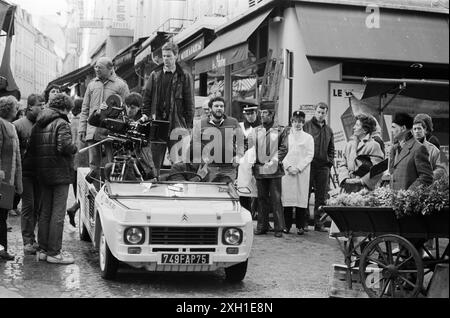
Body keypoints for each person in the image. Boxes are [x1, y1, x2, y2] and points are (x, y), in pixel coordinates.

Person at [28, 93, 78, 264]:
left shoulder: (39, 122)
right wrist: (74, 148)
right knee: (57, 213)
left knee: (45, 212)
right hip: (59, 173)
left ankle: (42, 249)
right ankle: (54, 252)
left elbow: (32, 148)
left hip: (43, 173)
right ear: (64, 108)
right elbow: (64, 146)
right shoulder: (62, 123)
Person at [141, 42, 194, 176]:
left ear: (176, 56)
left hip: (176, 124)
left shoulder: (184, 76)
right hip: (157, 124)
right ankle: (154, 190)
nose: (166, 59)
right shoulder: (155, 75)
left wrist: (188, 125)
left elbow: (189, 102)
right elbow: (146, 97)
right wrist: (145, 114)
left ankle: (177, 190)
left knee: (178, 163)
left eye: (169, 56)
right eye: (164, 56)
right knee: (154, 163)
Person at [79, 57, 130, 173]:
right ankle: (93, 189)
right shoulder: (92, 85)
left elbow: (127, 109)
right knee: (93, 165)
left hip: (111, 132)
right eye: (96, 67)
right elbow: (85, 108)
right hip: (92, 130)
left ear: (110, 68)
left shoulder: (121, 85)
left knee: (112, 164)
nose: (96, 69)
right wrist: (82, 129)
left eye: (100, 67)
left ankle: (111, 189)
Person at [13, 94, 45, 255]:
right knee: (28, 206)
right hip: (24, 172)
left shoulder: (44, 124)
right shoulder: (17, 125)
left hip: (40, 172)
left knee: (39, 207)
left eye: (43, 104)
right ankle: (27, 241)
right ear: (30, 107)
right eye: (40, 105)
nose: (42, 107)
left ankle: (36, 240)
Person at [252, 101, 288, 238]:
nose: (262, 116)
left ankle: (279, 228)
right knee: (261, 199)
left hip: (274, 170)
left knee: (276, 199)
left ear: (272, 114)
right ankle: (262, 226)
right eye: (261, 113)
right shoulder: (256, 131)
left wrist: (273, 161)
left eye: (265, 113)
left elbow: (284, 148)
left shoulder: (281, 130)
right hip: (260, 169)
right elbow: (251, 148)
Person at [281, 111, 314, 235]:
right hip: (288, 172)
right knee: (287, 200)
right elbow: (281, 152)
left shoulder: (308, 137)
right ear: (291, 121)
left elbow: (310, 154)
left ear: (303, 123)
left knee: (301, 199)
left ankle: (300, 226)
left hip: (302, 172)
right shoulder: (285, 136)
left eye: (300, 121)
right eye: (295, 121)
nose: (298, 124)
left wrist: (299, 168)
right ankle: (287, 225)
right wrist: (288, 166)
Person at [304, 102, 335, 232]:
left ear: (326, 114)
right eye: (319, 112)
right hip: (309, 165)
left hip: (323, 167)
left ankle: (319, 223)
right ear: (315, 112)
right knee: (304, 194)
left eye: (323, 113)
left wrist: (330, 161)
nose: (321, 115)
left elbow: (331, 148)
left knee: (321, 196)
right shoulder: (307, 126)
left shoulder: (329, 130)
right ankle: (304, 222)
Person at [200, 96, 243, 183]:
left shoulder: (233, 122)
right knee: (210, 194)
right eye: (216, 106)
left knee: (228, 194)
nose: (219, 108)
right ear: (210, 108)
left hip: (229, 169)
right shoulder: (201, 124)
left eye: (221, 106)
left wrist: (239, 156)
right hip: (209, 168)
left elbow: (241, 141)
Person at [0, 96, 23, 261]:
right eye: (15, 107)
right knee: (0, 217)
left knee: (2, 216)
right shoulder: (1, 125)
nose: (17, 110)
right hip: (2, 179)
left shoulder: (10, 126)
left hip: (7, 180)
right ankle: (2, 249)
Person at [338, 114, 385, 193]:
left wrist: (361, 181)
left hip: (364, 190)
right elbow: (343, 164)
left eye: (357, 125)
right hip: (347, 189)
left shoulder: (373, 145)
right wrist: (345, 179)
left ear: (365, 130)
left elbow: (378, 170)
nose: (354, 127)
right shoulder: (349, 145)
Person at [389, 112, 433, 192]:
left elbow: (426, 177)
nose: (391, 130)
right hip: (393, 200)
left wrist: (408, 193)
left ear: (403, 128)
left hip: (407, 201)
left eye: (393, 127)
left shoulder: (419, 148)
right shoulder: (394, 148)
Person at [66, 98, 89, 227]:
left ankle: (75, 208)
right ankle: (76, 211)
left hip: (73, 161)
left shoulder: (71, 121)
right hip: (85, 160)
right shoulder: (85, 121)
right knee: (86, 191)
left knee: (77, 190)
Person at [237, 102, 261, 216]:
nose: (250, 116)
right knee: (244, 192)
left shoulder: (262, 127)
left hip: (259, 163)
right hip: (244, 165)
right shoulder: (240, 127)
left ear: (256, 113)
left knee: (261, 194)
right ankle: (246, 216)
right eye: (247, 114)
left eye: (252, 113)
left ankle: (262, 220)